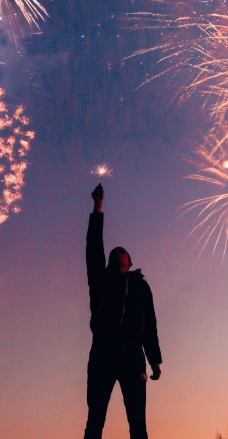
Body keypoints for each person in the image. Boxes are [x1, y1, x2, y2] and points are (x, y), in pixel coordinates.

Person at [83, 183, 162, 439]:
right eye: (114, 253)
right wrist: (98, 208)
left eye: (123, 253)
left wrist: (155, 360)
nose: (118, 252)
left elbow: (149, 324)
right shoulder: (101, 280)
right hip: (103, 351)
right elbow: (93, 247)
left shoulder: (140, 286)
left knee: (138, 424)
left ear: (130, 262)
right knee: (95, 421)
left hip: (132, 355)